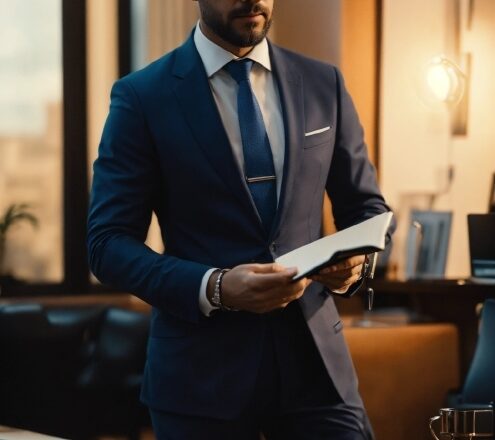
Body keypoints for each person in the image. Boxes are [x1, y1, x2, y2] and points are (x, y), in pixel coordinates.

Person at [87, 0, 394, 438]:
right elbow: (107, 244)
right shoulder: (142, 97)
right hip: (200, 383)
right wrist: (216, 286)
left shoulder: (323, 83)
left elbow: (369, 209)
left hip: (318, 375)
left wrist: (357, 263)